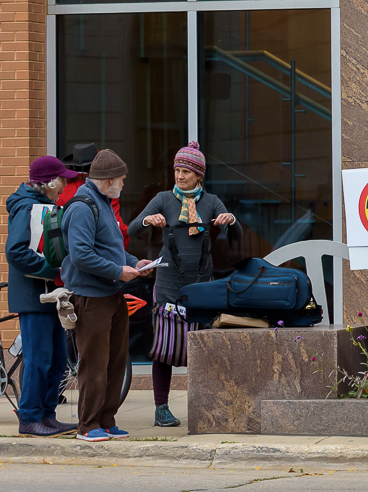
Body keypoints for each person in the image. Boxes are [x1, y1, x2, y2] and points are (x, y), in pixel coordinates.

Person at [127, 144, 240, 428]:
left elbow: (236, 234)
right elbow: (131, 229)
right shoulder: (163, 199)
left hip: (202, 286)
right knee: (164, 348)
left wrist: (231, 220)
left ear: (199, 175)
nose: (179, 176)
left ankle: (206, 405)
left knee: (201, 347)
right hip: (167, 284)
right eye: (177, 170)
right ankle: (161, 408)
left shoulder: (212, 202)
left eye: (186, 172)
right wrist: (147, 219)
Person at [60, 149, 144, 443]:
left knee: (115, 360)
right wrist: (117, 271)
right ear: (108, 180)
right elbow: (80, 254)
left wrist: (134, 263)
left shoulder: (105, 203)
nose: (123, 183)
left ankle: (107, 420)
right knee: (94, 362)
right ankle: (88, 425)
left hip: (111, 292)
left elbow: (111, 249)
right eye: (120, 178)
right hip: (91, 296)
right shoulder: (83, 206)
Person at [6, 155, 78, 436]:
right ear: (49, 182)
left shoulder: (45, 206)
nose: (64, 185)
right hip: (35, 297)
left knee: (58, 359)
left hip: (50, 295)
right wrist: (52, 270)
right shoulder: (28, 208)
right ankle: (30, 418)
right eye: (62, 180)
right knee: (39, 359)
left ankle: (47, 416)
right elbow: (15, 252)